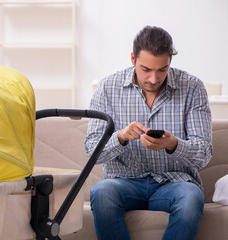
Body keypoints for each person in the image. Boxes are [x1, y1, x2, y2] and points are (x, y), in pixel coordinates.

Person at [85, 26, 213, 240]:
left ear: (170, 62)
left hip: (174, 183)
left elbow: (204, 153)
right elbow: (92, 151)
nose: (154, 79)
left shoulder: (193, 88)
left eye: (162, 69)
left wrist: (172, 144)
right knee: (102, 192)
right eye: (146, 69)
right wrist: (121, 137)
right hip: (124, 181)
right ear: (133, 58)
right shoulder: (107, 88)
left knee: (192, 196)